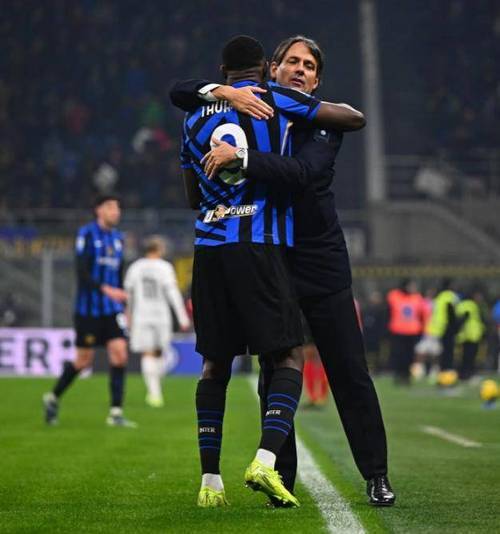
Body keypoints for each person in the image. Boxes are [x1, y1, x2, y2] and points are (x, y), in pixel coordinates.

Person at [171, 35, 394, 506]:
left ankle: (376, 474)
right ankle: (280, 475)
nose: (299, 69)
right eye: (291, 61)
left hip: (321, 261)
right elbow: (182, 91)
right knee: (274, 367)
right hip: (273, 256)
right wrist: (223, 92)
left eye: (308, 65)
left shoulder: (319, 123)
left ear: (316, 80)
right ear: (271, 69)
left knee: (349, 371)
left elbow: (303, 173)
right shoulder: (260, 107)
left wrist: (241, 157)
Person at [43, 194, 136, 427]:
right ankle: (53, 397)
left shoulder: (118, 239)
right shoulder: (86, 234)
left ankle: (115, 413)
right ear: (99, 210)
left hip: (112, 309)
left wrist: (124, 307)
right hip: (88, 310)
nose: (116, 211)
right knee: (83, 361)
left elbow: (118, 277)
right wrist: (107, 290)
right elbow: (81, 272)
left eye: (118, 207)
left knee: (120, 354)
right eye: (111, 207)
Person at [124, 235, 190, 407]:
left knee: (148, 353)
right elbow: (172, 293)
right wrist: (182, 317)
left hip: (141, 315)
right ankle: (155, 392)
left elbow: (129, 295)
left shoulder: (135, 267)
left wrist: (128, 315)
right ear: (158, 249)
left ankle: (154, 392)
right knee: (158, 352)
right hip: (161, 315)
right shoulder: (164, 267)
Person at [386, 279, 425, 385]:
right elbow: (388, 312)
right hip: (397, 331)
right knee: (398, 355)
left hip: (412, 332)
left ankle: (406, 375)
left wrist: (421, 330)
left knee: (409, 356)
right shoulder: (394, 296)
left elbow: (421, 315)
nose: (413, 288)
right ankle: (398, 375)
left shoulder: (417, 298)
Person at [456, 289, 486, 380]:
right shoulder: (472, 305)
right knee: (470, 357)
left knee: (463, 357)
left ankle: (463, 374)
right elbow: (471, 318)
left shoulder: (460, 305)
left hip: (464, 335)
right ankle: (468, 374)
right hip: (472, 334)